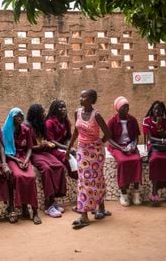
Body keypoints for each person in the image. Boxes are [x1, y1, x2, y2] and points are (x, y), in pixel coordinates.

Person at [66, 89, 111, 229]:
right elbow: (76, 130)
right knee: (84, 181)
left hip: (96, 153)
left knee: (97, 179)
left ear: (91, 99)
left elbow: (108, 134)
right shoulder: (77, 112)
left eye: (84, 96)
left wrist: (97, 144)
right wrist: (69, 148)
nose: (81, 98)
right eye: (81, 96)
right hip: (82, 152)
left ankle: (98, 209)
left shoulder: (96, 115)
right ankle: (85, 213)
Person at [26, 104, 67, 218]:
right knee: (46, 168)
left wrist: (47, 144)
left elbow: (48, 140)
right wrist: (41, 145)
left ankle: (53, 200)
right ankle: (48, 205)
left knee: (58, 165)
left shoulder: (41, 125)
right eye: (42, 113)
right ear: (36, 115)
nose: (45, 115)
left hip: (43, 152)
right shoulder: (27, 127)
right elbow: (28, 148)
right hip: (33, 154)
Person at [2, 108, 41, 225]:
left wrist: (26, 160)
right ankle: (23, 207)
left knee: (31, 177)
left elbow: (29, 147)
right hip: (12, 157)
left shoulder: (26, 130)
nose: (19, 118)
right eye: (16, 116)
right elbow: (5, 151)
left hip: (24, 157)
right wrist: (17, 160)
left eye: (21, 116)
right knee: (18, 176)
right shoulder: (6, 131)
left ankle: (34, 211)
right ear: (12, 118)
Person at [107, 96, 142, 206]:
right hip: (117, 146)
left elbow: (136, 137)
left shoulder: (132, 119)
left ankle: (136, 192)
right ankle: (124, 193)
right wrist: (120, 148)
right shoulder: (112, 121)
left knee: (137, 160)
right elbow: (109, 139)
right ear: (118, 108)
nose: (127, 109)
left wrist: (133, 146)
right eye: (124, 107)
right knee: (122, 161)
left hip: (129, 145)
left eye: (127, 106)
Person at [46, 99, 78, 179]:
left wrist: (70, 146)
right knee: (68, 158)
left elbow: (68, 137)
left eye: (64, 107)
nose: (63, 109)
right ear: (55, 109)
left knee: (78, 155)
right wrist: (67, 148)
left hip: (64, 147)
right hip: (53, 148)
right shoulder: (49, 123)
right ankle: (76, 176)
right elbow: (51, 140)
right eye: (60, 107)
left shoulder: (66, 121)